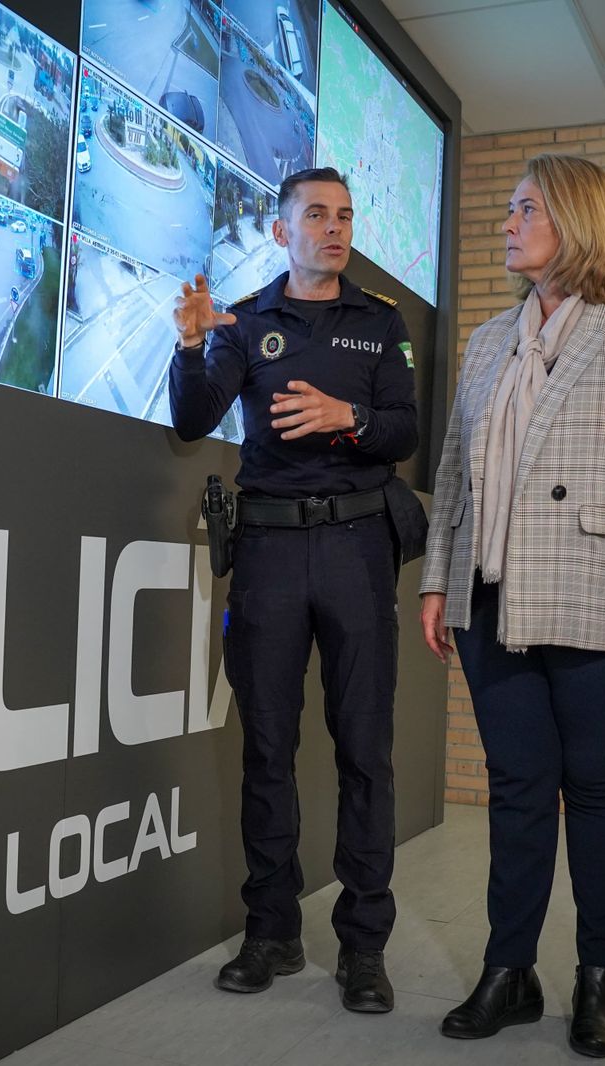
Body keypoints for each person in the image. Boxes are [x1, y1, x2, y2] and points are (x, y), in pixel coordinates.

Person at [420, 154, 605, 1058]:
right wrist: (437, 579)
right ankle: (511, 973)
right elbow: (455, 471)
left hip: (599, 599)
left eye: (523, 208)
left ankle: (596, 977)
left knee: (603, 790)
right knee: (515, 791)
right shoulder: (489, 339)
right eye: (505, 209)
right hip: (489, 600)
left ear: (574, 219)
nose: (506, 223)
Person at [169, 166, 416, 1014]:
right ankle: (270, 931)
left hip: (356, 548)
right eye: (316, 215)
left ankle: (363, 947)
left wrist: (348, 418)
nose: (334, 228)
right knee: (268, 749)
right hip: (270, 549)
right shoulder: (247, 320)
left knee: (364, 753)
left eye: (345, 215)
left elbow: (406, 431)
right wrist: (193, 345)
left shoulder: (380, 324)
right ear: (282, 232)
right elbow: (193, 420)